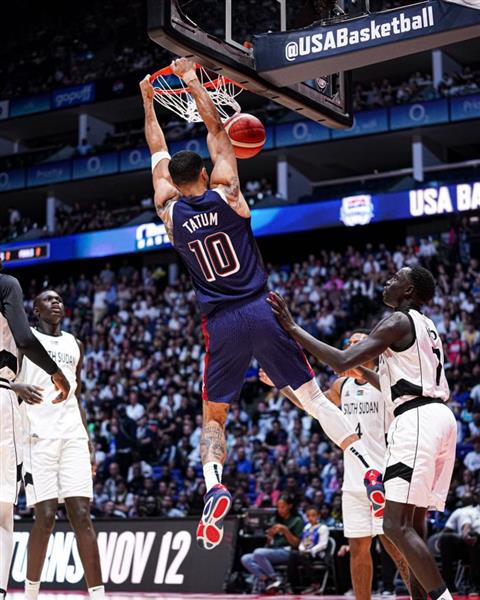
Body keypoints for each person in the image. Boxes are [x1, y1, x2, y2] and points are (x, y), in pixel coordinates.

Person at [140, 57, 384, 550]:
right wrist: (191, 81)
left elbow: (157, 150)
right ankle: (369, 469)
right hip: (262, 307)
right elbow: (216, 130)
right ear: (205, 172)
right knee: (314, 399)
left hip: (221, 321)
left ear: (173, 183)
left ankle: (214, 486)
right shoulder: (228, 194)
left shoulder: (169, 212)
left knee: (214, 417)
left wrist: (148, 100)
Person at [268, 265, 457, 600]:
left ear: (409, 290)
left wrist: (292, 327)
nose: (388, 281)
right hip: (438, 417)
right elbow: (374, 381)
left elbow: (341, 361)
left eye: (396, 278)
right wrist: (359, 372)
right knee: (412, 525)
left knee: (393, 525)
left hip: (416, 419)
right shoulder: (426, 326)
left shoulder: (398, 320)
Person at [261, 330, 410, 600]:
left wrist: (363, 371)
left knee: (394, 546)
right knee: (358, 549)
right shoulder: (342, 386)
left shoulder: (386, 380)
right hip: (353, 481)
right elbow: (313, 406)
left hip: (384, 477)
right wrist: (281, 385)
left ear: (373, 348)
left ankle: (419, 595)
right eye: (349, 343)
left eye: (359, 342)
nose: (353, 346)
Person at [12, 290, 104, 600]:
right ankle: (30, 594)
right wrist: (17, 387)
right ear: (35, 311)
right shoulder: (25, 342)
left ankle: (99, 596)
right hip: (38, 437)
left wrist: (88, 444)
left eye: (59, 300)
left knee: (82, 514)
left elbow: (76, 395)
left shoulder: (75, 344)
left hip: (73, 435)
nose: (56, 303)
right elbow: (6, 380)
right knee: (46, 516)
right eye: (48, 300)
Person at [0, 269, 69, 600]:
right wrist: (56, 374)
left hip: (8, 388)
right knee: (2, 513)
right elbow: (25, 339)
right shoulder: (6, 284)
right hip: (2, 399)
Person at [241, 495, 304, 593]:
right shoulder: (275, 519)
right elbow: (269, 543)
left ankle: (276, 579)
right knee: (246, 558)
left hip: (288, 551)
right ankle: (266, 580)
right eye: (278, 507)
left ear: (290, 506)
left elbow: (296, 544)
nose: (280, 510)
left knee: (258, 552)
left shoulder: (297, 520)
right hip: (274, 550)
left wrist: (285, 530)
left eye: (283, 507)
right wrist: (270, 536)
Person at [438, 488, 480, 594]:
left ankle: (475, 583)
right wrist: (466, 535)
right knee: (447, 538)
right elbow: (466, 525)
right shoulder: (469, 511)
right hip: (471, 547)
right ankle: (449, 585)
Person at [286, 506, 329, 594]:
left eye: (313, 515)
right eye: (308, 516)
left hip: (317, 554)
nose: (310, 518)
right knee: (293, 554)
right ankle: (292, 584)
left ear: (318, 516)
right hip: (305, 553)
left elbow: (323, 544)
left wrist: (311, 550)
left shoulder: (323, 528)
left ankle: (315, 583)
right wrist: (302, 548)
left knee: (303, 556)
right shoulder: (307, 527)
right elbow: (302, 542)